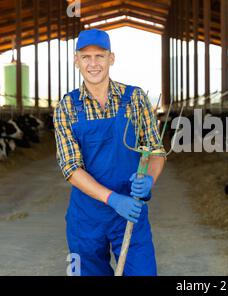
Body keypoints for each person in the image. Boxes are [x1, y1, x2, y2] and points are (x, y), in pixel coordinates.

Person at [53, 29, 165, 276]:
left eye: (100, 56)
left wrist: (149, 180)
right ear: (76, 60)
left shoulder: (135, 99)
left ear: (111, 58)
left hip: (131, 212)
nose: (93, 64)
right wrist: (112, 199)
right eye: (86, 57)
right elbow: (71, 168)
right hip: (86, 218)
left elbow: (155, 151)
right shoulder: (67, 107)